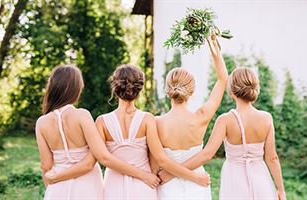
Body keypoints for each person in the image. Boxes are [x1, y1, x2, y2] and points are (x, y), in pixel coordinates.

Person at [44, 64, 210, 200]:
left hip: (112, 185)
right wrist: (149, 175)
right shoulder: (147, 119)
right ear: (139, 89)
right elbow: (157, 158)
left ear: (115, 88)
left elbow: (102, 158)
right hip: (144, 185)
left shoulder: (101, 121)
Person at [163, 67, 286, 200]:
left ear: (231, 92)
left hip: (235, 179)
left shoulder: (225, 120)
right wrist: (280, 189)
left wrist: (172, 173)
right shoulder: (266, 118)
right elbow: (272, 158)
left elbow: (207, 154)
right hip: (261, 178)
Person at [155, 35, 228, 199]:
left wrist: (170, 174)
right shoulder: (201, 117)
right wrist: (214, 46)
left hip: (168, 187)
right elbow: (223, 79)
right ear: (192, 92)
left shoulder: (156, 123)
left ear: (168, 92)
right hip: (198, 185)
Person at [36, 64, 103, 199]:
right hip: (87, 186)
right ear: (76, 88)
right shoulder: (82, 115)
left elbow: (46, 165)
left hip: (57, 186)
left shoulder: (41, 122)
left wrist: (51, 187)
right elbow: (90, 162)